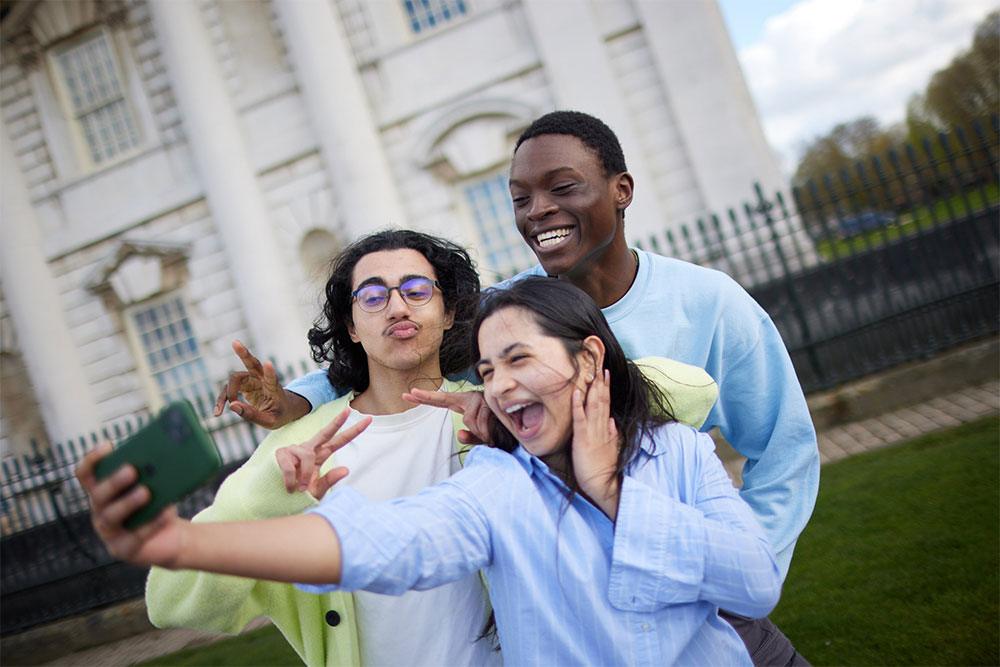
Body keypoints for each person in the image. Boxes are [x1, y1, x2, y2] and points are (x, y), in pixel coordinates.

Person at [234, 110, 819, 666]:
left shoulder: (710, 303)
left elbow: (784, 450)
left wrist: (736, 572)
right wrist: (295, 400)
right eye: (520, 198)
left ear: (622, 189)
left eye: (562, 188)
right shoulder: (503, 313)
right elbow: (400, 349)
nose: (539, 210)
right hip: (575, 609)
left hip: (697, 588)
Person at [81, 230, 718, 666]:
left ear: (448, 312)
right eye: (373, 295)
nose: (397, 307)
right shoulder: (301, 450)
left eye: (417, 289)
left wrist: (509, 404)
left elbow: (693, 394)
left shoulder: (500, 407)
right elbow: (170, 602)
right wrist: (271, 498)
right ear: (351, 329)